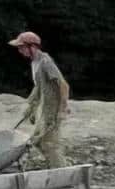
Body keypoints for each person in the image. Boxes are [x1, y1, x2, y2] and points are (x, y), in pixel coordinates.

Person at [8, 31, 70, 169]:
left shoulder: (45, 62)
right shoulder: (34, 62)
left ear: (32, 46)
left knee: (50, 143)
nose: (19, 51)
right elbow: (38, 87)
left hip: (53, 110)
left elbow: (64, 85)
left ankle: (62, 174)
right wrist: (31, 107)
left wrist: (62, 110)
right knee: (37, 140)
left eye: (21, 47)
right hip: (45, 108)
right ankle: (57, 166)